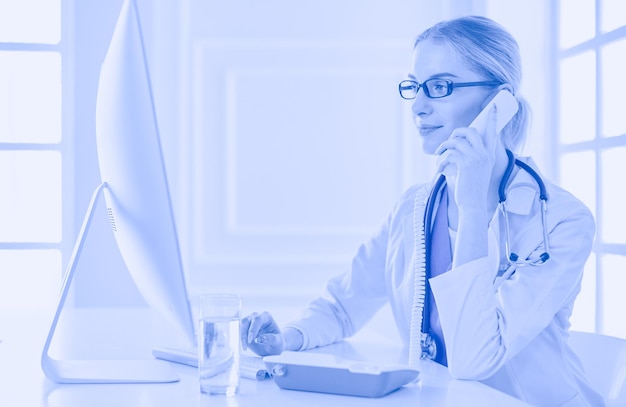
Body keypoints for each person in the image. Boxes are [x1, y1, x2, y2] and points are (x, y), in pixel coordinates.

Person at [240, 16, 604, 407]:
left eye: (440, 87)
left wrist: (473, 207)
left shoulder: (562, 221)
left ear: (499, 102)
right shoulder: (416, 207)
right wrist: (287, 338)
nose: (418, 105)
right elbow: (343, 306)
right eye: (415, 87)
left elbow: (474, 358)